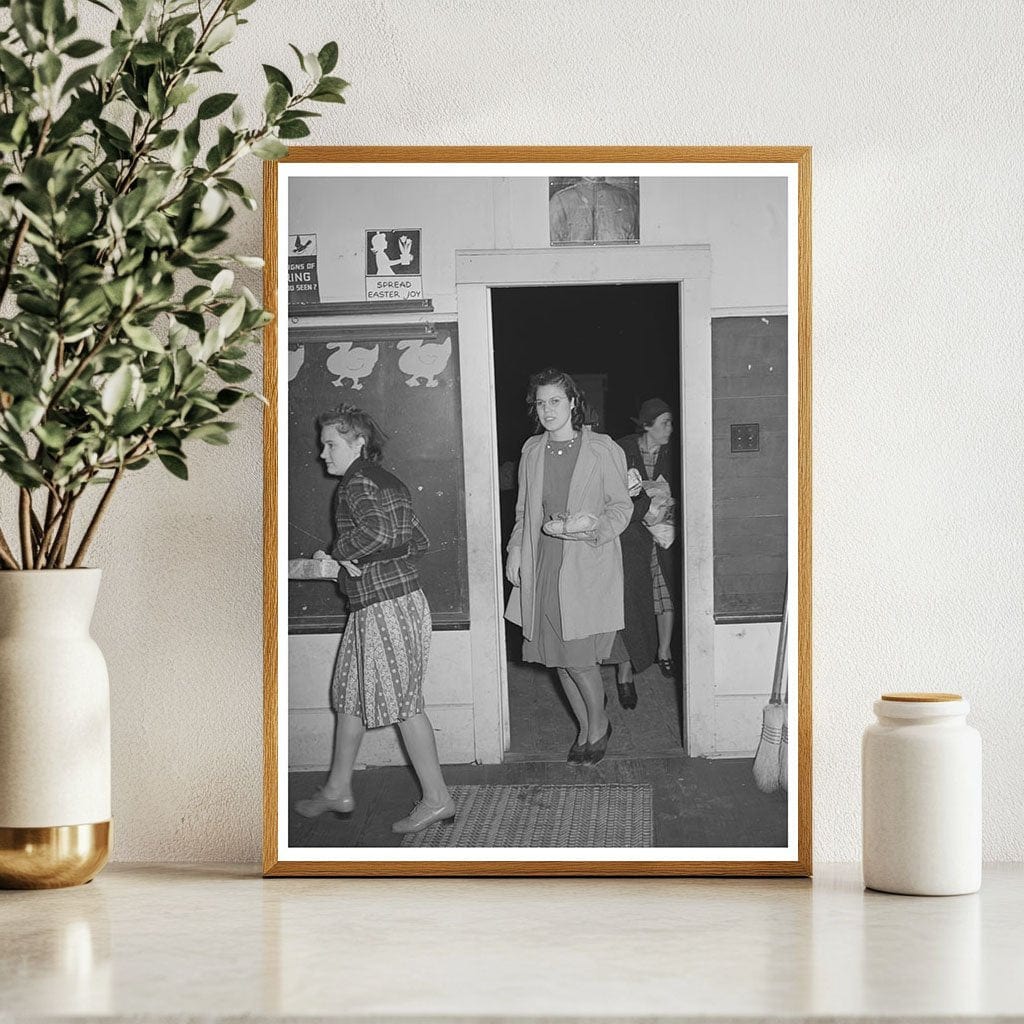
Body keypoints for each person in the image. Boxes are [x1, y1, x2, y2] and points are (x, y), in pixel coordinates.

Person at [294, 404, 454, 835]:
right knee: (349, 694)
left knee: (404, 705)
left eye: (330, 444)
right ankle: (337, 788)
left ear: (357, 443)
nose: (322, 453)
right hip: (387, 603)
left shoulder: (356, 483)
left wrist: (343, 553)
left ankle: (438, 799)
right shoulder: (387, 481)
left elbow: (381, 534)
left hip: (387, 607)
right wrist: (370, 559)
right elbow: (414, 540)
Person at [505, 368, 631, 765]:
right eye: (541, 403)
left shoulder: (601, 448)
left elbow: (620, 506)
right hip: (543, 562)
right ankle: (585, 727)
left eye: (555, 401)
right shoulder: (531, 451)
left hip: (584, 564)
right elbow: (524, 510)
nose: (547, 410)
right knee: (555, 656)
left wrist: (594, 529)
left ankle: (598, 725)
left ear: (573, 403)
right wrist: (514, 551)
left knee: (579, 659)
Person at [612, 398, 679, 709]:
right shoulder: (623, 448)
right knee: (633, 603)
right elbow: (612, 491)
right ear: (648, 425)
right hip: (632, 536)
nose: (670, 429)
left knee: (666, 594)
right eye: (664, 423)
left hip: (664, 534)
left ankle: (664, 651)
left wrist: (668, 502)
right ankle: (626, 672)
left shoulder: (674, 452)